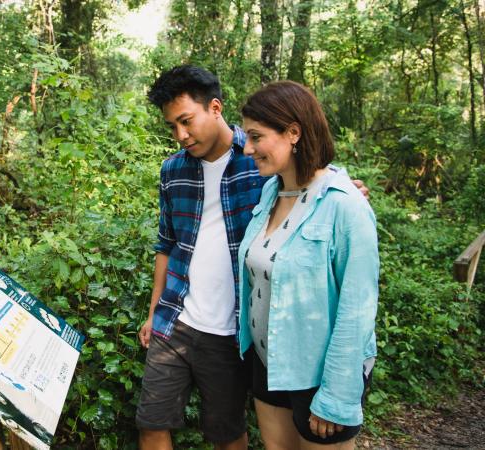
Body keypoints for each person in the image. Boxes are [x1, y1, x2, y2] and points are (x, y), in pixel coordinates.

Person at [237, 80, 378, 449]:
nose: (247, 148)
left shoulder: (345, 206)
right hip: (269, 364)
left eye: (256, 137)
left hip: (320, 373)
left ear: (293, 133)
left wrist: (335, 396)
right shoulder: (271, 192)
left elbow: (357, 310)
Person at [136, 65, 265, 450]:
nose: (181, 135)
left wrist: (344, 185)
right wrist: (153, 310)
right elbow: (166, 245)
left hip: (229, 331)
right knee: (151, 423)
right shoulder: (173, 170)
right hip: (175, 321)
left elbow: (312, 181)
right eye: (172, 126)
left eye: (186, 121)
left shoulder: (258, 160)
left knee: (226, 433)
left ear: (215, 107)